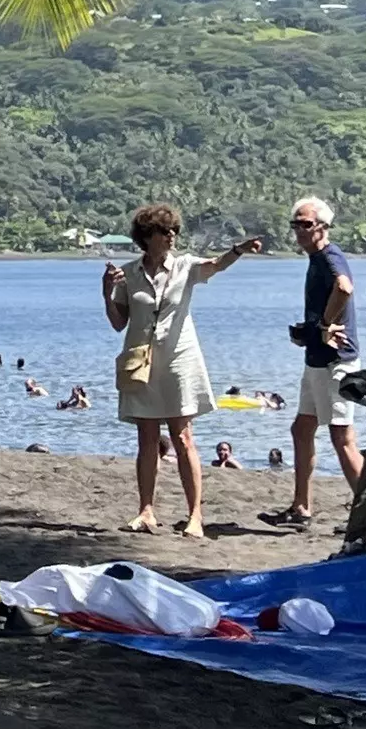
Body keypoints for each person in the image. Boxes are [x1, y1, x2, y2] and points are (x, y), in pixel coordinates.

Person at [103, 203, 264, 538]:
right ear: (148, 237)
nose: (172, 235)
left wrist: (239, 250)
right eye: (165, 231)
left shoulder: (185, 266)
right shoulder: (129, 274)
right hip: (142, 362)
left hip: (179, 361)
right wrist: (106, 292)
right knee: (146, 438)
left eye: (174, 230)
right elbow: (119, 323)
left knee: (183, 436)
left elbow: (216, 265)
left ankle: (195, 516)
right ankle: (146, 511)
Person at [264, 196, 365, 529]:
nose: (299, 231)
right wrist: (310, 331)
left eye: (305, 224)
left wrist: (324, 323)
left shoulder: (329, 256)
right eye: (295, 224)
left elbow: (344, 288)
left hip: (337, 361)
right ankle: (301, 506)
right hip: (317, 360)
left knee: (343, 439)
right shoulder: (316, 258)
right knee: (301, 428)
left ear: (322, 226)